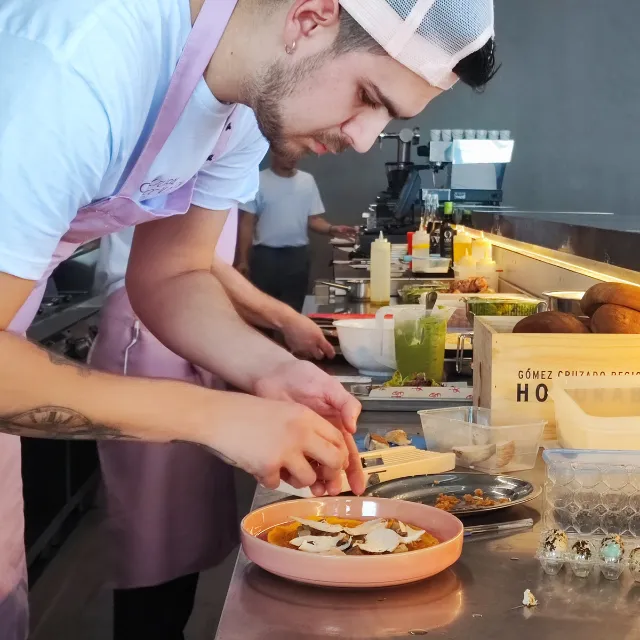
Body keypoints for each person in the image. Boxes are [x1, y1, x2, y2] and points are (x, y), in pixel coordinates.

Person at [0, 0, 499, 637]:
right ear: (310, 17)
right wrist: (213, 414)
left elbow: (175, 272)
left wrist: (270, 368)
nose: (363, 137)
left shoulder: (236, 110)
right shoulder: (80, 59)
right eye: (366, 96)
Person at [236, 154, 356, 314]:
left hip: (297, 257)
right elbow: (246, 223)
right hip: (265, 258)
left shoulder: (307, 181)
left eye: (296, 153)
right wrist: (242, 260)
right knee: (263, 313)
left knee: (293, 313)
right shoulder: (257, 180)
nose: (293, 157)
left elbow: (313, 219)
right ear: (274, 150)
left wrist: (332, 229)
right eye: (287, 152)